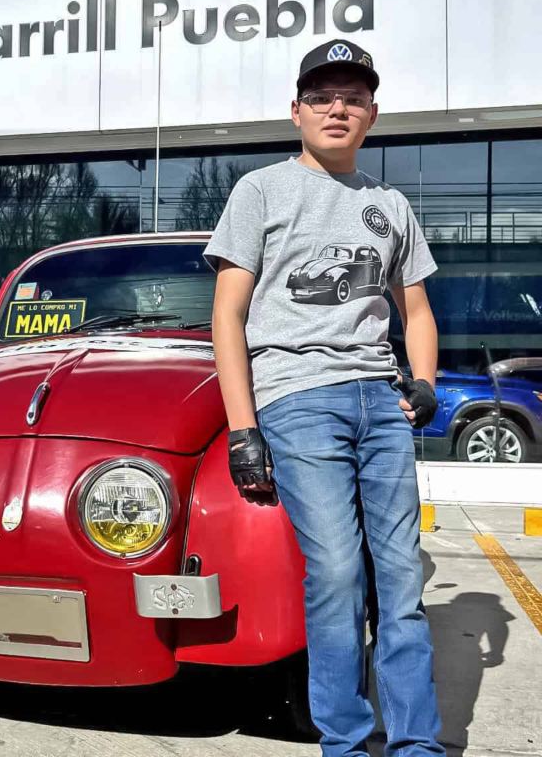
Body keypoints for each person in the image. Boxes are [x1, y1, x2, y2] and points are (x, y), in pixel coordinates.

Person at [204, 39, 445, 757]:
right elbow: (228, 315)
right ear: (297, 111)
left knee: (399, 579)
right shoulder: (261, 190)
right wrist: (244, 430)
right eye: (322, 97)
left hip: (381, 401)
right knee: (337, 574)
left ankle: (416, 745)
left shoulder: (390, 204)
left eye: (352, 98)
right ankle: (344, 740)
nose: (337, 108)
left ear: (372, 113)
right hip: (297, 399)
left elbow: (419, 311)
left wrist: (424, 381)